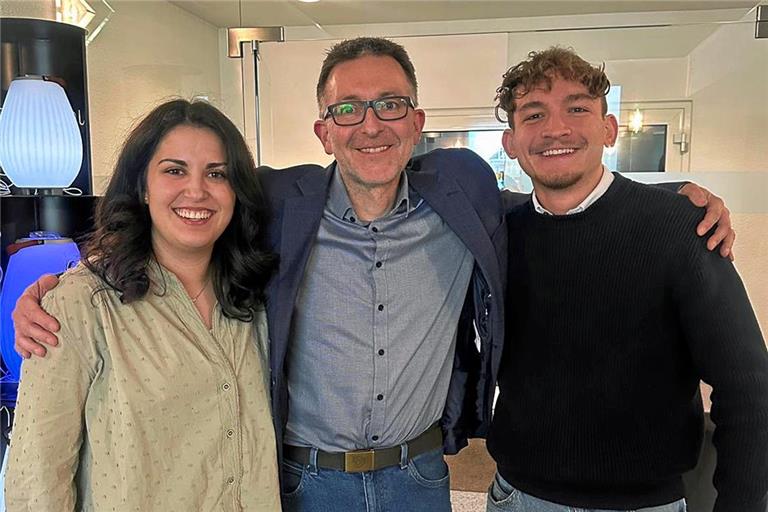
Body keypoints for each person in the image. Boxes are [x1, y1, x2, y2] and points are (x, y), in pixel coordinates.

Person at [12, 38, 735, 512]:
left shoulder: (465, 195)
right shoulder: (275, 202)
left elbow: (552, 198)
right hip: (302, 480)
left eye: (390, 105)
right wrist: (74, 276)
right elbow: (182, 211)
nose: (371, 125)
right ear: (324, 131)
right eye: (347, 109)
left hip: (419, 478)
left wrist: (672, 199)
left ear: (416, 120)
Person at [485, 47, 768, 512]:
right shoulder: (499, 230)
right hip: (516, 496)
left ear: (608, 129)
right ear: (511, 143)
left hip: (644, 504)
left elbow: (748, 387)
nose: (556, 128)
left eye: (577, 108)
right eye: (534, 114)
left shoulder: (682, 228)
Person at [4, 100, 281, 511]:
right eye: (174, 170)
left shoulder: (256, 298)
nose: (197, 190)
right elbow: (36, 479)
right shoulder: (81, 306)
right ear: (143, 187)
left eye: (217, 174)